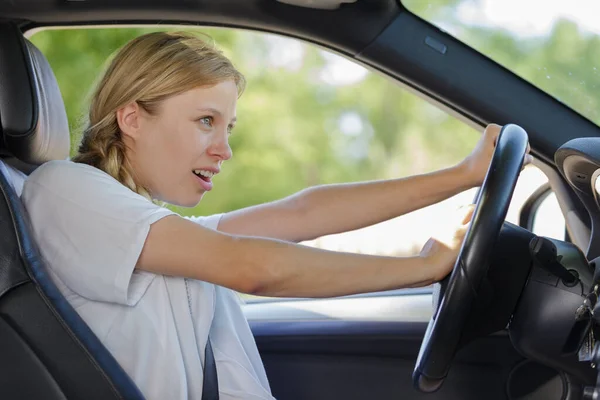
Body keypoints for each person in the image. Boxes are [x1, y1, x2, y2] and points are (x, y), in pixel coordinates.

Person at [21, 31, 530, 400]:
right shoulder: (66, 191)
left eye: (229, 128)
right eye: (205, 121)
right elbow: (251, 267)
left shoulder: (145, 228)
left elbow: (303, 211)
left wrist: (462, 174)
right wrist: (422, 267)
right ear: (131, 118)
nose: (224, 150)